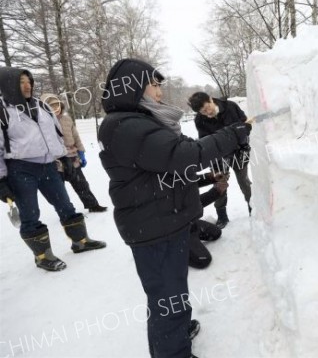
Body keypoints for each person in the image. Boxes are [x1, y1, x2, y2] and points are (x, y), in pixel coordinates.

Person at [98, 58, 250, 358]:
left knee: (173, 293)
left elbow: (167, 169)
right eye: (154, 85)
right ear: (134, 88)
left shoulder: (137, 121)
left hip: (163, 220)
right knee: (167, 298)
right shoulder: (127, 126)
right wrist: (233, 134)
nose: (159, 92)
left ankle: (176, 332)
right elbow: (186, 155)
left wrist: (205, 179)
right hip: (154, 227)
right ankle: (172, 350)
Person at [0, 67, 106, 271]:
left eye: (28, 80)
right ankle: (42, 255)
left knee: (65, 204)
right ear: (9, 85)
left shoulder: (41, 106)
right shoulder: (2, 111)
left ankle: (81, 241)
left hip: (48, 165)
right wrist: (1, 181)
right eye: (21, 81)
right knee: (30, 213)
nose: (27, 85)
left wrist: (63, 157)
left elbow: (55, 135)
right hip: (20, 169)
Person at [188, 92, 252, 228]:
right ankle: (222, 216)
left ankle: (253, 206)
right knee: (220, 183)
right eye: (203, 111)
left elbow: (245, 125)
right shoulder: (200, 120)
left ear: (211, 99)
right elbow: (205, 141)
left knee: (244, 181)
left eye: (208, 107)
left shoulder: (230, 107)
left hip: (239, 151)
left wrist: (244, 147)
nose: (207, 112)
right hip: (218, 156)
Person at [40, 93, 107, 213]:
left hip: (72, 157)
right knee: (58, 189)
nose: (55, 108)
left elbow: (76, 136)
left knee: (81, 184)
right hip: (56, 161)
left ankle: (92, 204)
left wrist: (81, 152)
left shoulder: (67, 119)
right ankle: (65, 211)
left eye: (56, 105)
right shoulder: (43, 123)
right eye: (51, 106)